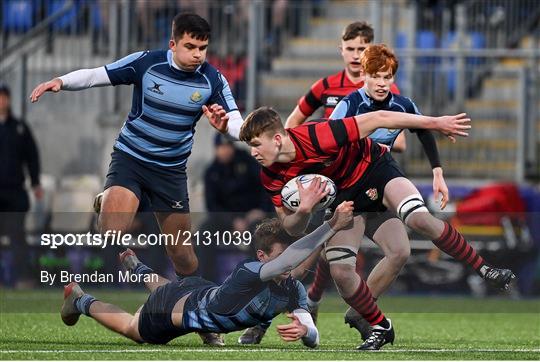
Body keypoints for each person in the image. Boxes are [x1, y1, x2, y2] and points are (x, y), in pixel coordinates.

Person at [30, 13, 242, 346]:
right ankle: (110, 200)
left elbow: (237, 123)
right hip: (131, 159)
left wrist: (226, 127)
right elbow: (98, 75)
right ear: (172, 44)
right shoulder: (148, 64)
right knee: (113, 228)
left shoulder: (212, 80)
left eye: (203, 47)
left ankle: (203, 320)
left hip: (171, 172)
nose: (198, 54)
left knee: (183, 257)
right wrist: (62, 81)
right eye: (190, 46)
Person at [238, 106, 515, 350]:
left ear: (276, 139)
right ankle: (379, 324)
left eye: (255, 144)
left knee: (414, 226)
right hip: (346, 201)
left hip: (376, 171)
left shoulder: (317, 135)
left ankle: (484, 268)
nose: (252, 152)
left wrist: (436, 123)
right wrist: (304, 209)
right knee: (342, 272)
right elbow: (291, 226)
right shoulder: (271, 174)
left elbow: (380, 117)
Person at [305, 43, 456, 340]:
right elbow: (318, 132)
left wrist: (437, 171)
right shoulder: (335, 95)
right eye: (376, 75)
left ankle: (361, 310)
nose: (382, 81)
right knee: (307, 260)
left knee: (399, 251)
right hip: (346, 189)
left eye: (387, 76)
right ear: (363, 72)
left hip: (379, 185)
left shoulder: (400, 103)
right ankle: (302, 304)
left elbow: (419, 130)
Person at [60, 201, 354, 347]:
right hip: (178, 312)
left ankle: (137, 267)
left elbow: (312, 335)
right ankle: (80, 299)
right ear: (262, 257)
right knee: (134, 328)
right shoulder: (252, 271)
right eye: (280, 256)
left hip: (199, 291)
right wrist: (330, 227)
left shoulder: (292, 289)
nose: (289, 264)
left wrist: (307, 331)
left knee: (173, 288)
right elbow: (286, 261)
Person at [0, 83, 43, 287]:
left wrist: (35, 183)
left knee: (17, 237)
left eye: (3, 97)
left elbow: (32, 157)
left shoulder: (19, 128)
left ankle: (22, 278)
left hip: (15, 192)